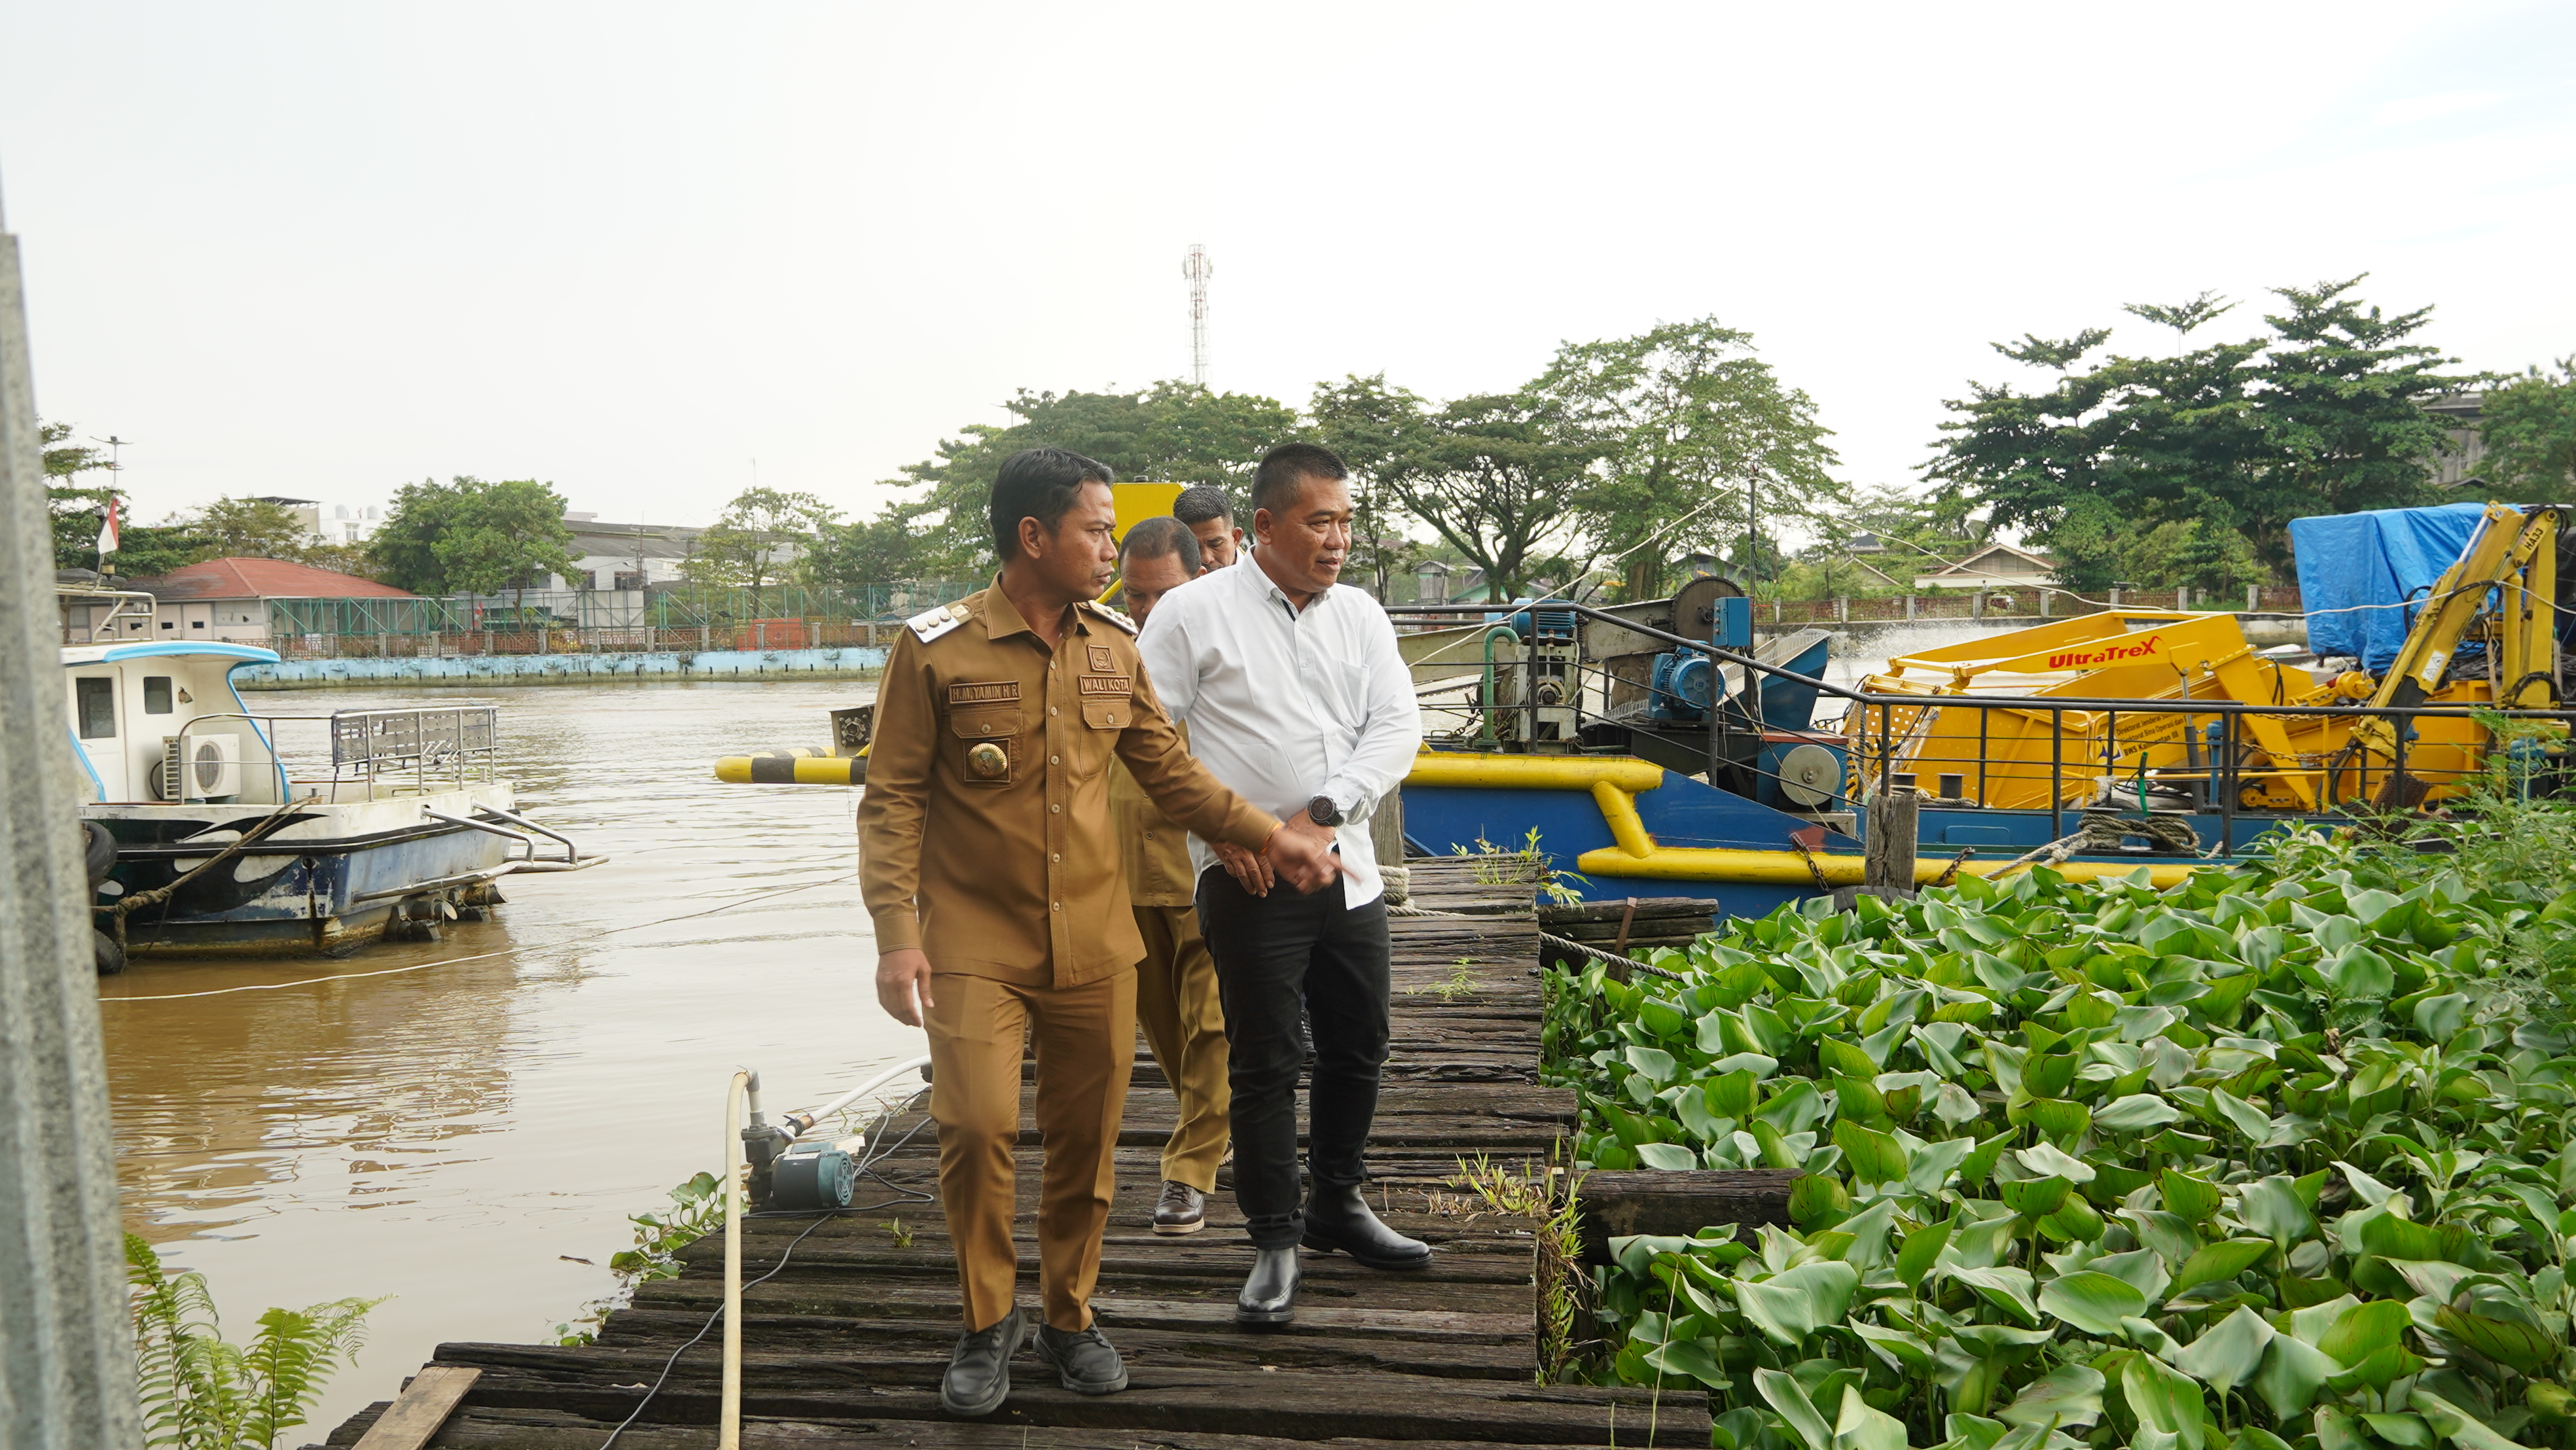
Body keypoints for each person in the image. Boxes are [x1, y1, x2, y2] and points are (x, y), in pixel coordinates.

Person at [858, 448, 1338, 1415]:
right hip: (971, 942)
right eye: (1095, 530)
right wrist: (895, 933)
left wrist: (1268, 835)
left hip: (1094, 940)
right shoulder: (936, 648)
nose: (1111, 549)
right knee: (976, 1124)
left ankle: (1069, 1316)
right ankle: (988, 1320)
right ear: (1033, 536)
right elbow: (892, 798)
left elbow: (1172, 772)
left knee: (1087, 1142)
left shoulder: (1115, 645)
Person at [1135, 441, 1426, 1328]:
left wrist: (1323, 813)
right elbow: (1147, 737)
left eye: (1346, 521)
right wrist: (1232, 827)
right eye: (1319, 521)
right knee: (1264, 1062)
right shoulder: (1190, 613)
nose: (1338, 539)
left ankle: (1338, 1200)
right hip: (1249, 876)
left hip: (1348, 868)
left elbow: (1396, 726)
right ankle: (1274, 1239)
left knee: (1359, 1043)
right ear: (1264, 525)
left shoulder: (1361, 615)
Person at [1107, 516, 1228, 1235]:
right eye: (1135, 594)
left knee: (1213, 1023)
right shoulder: (1101, 652)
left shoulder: (1230, 649)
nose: (1148, 609)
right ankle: (1213, 1123)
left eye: (1163, 594)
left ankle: (1189, 1171)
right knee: (1166, 1031)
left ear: (1200, 580)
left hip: (1211, 865)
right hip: (1128, 871)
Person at [1172, 484, 1243, 571]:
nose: (1206, 559)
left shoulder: (1257, 577)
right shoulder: (1170, 577)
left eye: (1215, 545)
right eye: (1195, 549)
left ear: (1236, 538)